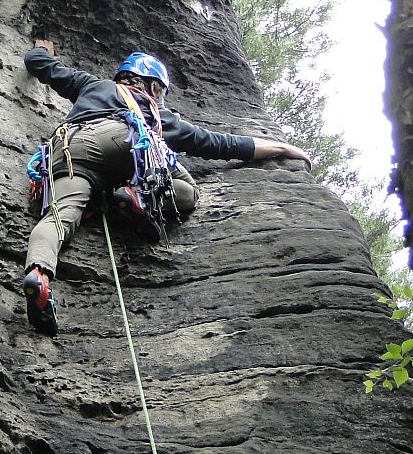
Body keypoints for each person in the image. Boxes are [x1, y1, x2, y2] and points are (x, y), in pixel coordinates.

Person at [21, 37, 312, 336]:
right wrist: (279, 148)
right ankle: (141, 198)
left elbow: (41, 65)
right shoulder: (157, 114)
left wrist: (43, 50)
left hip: (71, 149)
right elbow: (217, 143)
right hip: (128, 141)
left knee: (58, 217)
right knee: (186, 189)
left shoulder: (92, 86)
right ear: (152, 86)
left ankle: (38, 273)